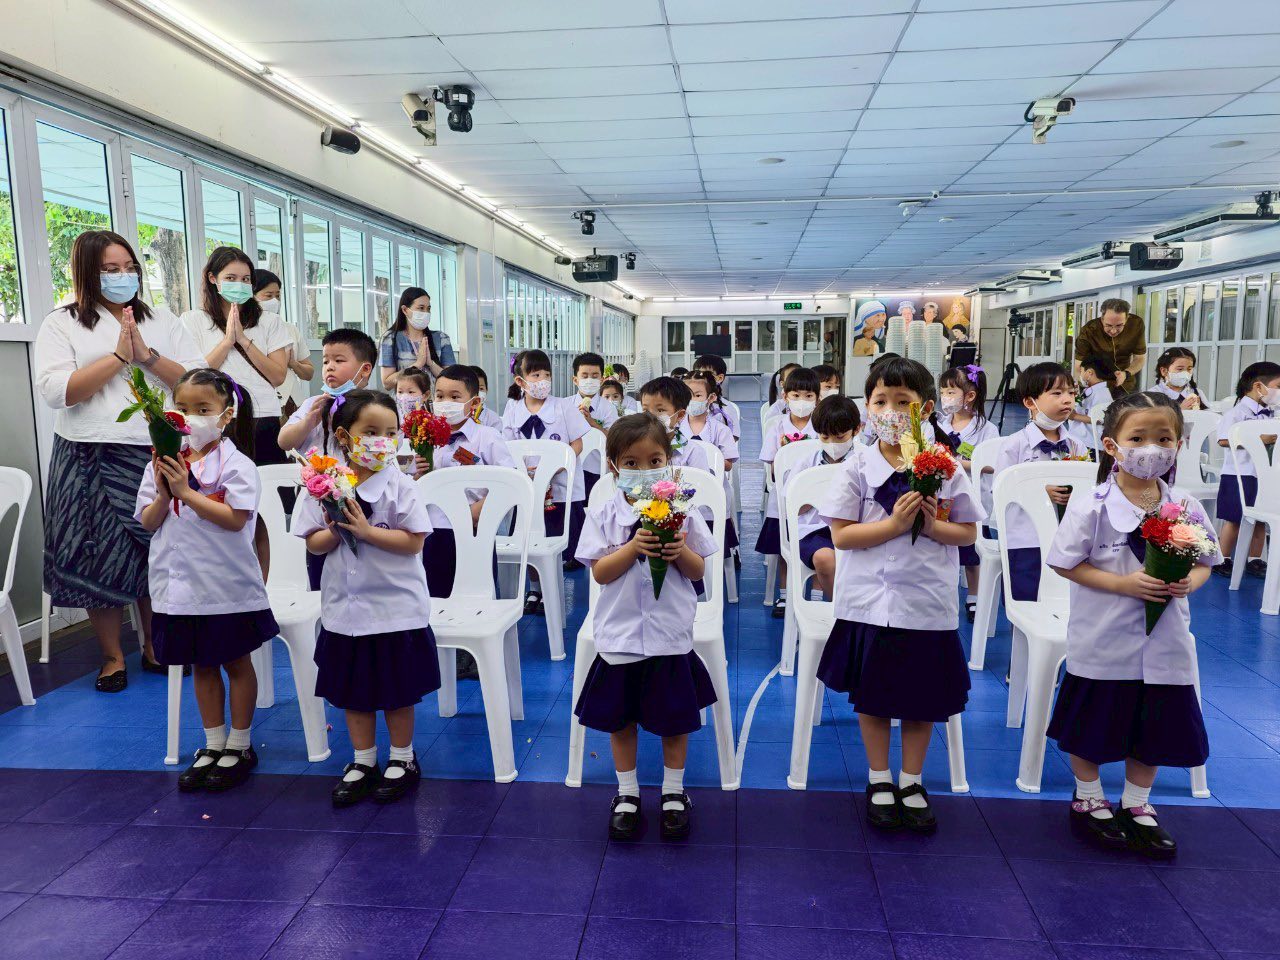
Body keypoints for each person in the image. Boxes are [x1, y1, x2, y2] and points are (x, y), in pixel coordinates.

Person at [1046, 392, 1218, 857]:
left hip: (1165, 640)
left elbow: (1205, 561)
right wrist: (1122, 585)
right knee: (1095, 721)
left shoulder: (1184, 505)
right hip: (1105, 635)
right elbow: (1064, 563)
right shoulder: (1092, 505)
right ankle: (1088, 797)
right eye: (1137, 438)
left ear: (1179, 444)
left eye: (1164, 438)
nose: (1151, 448)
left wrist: (1190, 581)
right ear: (1111, 445)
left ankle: (1137, 802)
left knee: (1152, 724)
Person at [818, 357, 981, 834]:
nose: (889, 411)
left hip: (925, 604)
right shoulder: (856, 467)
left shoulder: (945, 467)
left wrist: (931, 527)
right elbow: (842, 536)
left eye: (903, 402)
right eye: (879, 401)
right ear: (866, 408)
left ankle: (912, 780)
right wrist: (893, 525)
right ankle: (879, 777)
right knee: (872, 698)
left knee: (920, 699)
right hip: (869, 604)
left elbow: (967, 532)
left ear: (925, 409)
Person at [35, 229, 203, 691]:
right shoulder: (62, 322)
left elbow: (195, 381)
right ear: (88, 272)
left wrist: (146, 356)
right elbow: (59, 392)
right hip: (85, 452)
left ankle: (154, 645)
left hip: (153, 449)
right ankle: (112, 657)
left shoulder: (162, 319)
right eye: (110, 269)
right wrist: (117, 357)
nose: (122, 276)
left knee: (156, 549)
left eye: (129, 267)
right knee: (96, 554)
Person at [572, 414, 718, 841]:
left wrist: (678, 552)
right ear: (614, 468)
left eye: (654, 460)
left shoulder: (682, 510)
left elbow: (697, 571)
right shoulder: (603, 510)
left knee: (674, 719)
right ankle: (627, 792)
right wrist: (632, 547)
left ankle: (673, 791)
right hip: (620, 634)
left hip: (669, 636)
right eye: (631, 463)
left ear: (669, 463)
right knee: (621, 720)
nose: (644, 470)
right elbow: (600, 572)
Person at [295, 389, 440, 807]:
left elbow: (414, 542)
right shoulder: (322, 485)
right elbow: (313, 544)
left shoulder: (401, 485)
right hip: (346, 610)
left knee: (397, 690)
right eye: (372, 432)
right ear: (344, 436)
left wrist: (366, 532)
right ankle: (362, 760)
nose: (383, 441)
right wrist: (335, 527)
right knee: (353, 691)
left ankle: (402, 757)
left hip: (396, 610)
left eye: (391, 433)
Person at [136, 368, 275, 792]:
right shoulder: (162, 461)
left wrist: (186, 493)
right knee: (202, 664)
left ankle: (240, 744)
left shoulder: (237, 464)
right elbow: (147, 521)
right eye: (181, 408)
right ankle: (214, 743)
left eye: (203, 409)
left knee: (237, 663)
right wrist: (165, 494)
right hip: (179, 589)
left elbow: (235, 519)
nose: (190, 417)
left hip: (225, 587)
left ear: (226, 415)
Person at [413, 364, 516, 598]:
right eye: (440, 396)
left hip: (474, 528)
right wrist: (418, 475)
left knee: (477, 593)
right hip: (433, 529)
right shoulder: (424, 437)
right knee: (436, 595)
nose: (445, 403)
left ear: (474, 403)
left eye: (454, 397)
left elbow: (509, 485)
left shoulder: (487, 437)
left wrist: (475, 512)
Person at [181, 247, 291, 466]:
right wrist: (227, 342)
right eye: (231, 278)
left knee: (267, 481)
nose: (239, 284)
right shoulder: (192, 320)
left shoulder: (270, 321)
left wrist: (243, 340)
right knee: (216, 481)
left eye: (245, 279)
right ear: (212, 278)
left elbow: (278, 376)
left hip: (263, 415)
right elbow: (194, 378)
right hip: (214, 418)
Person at [502, 349, 589, 612]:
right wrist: (524, 472)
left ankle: (553, 588)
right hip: (527, 488)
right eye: (536, 375)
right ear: (521, 381)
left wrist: (556, 466)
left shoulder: (563, 407)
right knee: (529, 540)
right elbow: (507, 448)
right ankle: (534, 589)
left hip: (559, 488)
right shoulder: (513, 411)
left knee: (554, 541)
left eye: (546, 375)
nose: (543, 380)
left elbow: (577, 443)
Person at [994, 362, 1088, 602]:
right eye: (1056, 393)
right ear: (1030, 402)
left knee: (1063, 599)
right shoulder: (1015, 445)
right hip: (1025, 539)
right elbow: (1001, 490)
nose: (1067, 400)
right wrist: (1039, 490)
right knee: (1026, 601)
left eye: (1071, 393)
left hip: (1067, 539)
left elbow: (1088, 488)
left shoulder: (1076, 445)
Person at [756, 367, 821, 618]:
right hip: (782, 500)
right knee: (785, 551)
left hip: (815, 502)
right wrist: (787, 455)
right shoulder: (777, 427)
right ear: (785, 396)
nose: (802, 401)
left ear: (817, 398)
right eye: (796, 395)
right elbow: (772, 468)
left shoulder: (821, 427)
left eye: (808, 396)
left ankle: (815, 598)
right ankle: (784, 596)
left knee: (818, 546)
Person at [938, 365, 999, 621]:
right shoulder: (940, 424)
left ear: (970, 396)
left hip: (973, 496)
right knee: (944, 542)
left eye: (951, 392)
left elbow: (991, 465)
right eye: (943, 392)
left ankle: (974, 595)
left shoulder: (986, 429)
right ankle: (944, 592)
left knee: (972, 550)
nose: (945, 397)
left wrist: (956, 462)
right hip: (944, 495)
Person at [785, 395, 861, 598]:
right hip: (814, 530)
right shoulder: (806, 463)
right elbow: (792, 507)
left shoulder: (864, 460)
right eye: (825, 437)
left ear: (856, 430)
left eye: (840, 437)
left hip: (855, 527)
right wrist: (815, 495)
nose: (832, 443)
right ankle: (840, 607)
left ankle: (859, 605)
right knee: (825, 559)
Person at [1213, 361, 1280, 579]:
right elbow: (1223, 440)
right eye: (1278, 387)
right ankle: (1223, 558)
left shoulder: (1271, 413)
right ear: (1259, 386)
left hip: (1262, 475)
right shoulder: (1236, 413)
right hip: (1238, 474)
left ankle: (1254, 559)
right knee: (1234, 519)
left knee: (1260, 518)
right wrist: (1257, 439)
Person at [278, 328, 377, 459]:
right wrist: (308, 422)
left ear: (365, 369)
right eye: (325, 362)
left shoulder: (376, 406)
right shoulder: (314, 404)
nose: (329, 367)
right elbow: (284, 442)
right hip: (317, 471)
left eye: (339, 360)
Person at [566, 352, 619, 570]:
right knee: (574, 510)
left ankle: (599, 550)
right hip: (572, 469)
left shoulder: (608, 408)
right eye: (585, 375)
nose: (590, 380)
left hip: (597, 470)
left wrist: (591, 422)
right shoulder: (565, 405)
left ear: (602, 379)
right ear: (575, 379)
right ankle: (574, 552)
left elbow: (614, 438)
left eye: (595, 375)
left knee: (596, 509)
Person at [253, 269, 313, 419]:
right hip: (261, 404)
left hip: (293, 402)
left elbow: (309, 373)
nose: (275, 301)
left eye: (278, 296)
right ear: (252, 296)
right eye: (268, 296)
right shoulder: (245, 331)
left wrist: (293, 364)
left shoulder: (290, 329)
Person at [379, 287, 456, 390]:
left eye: (428, 309)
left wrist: (431, 364)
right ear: (405, 310)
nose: (426, 313)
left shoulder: (441, 339)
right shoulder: (390, 339)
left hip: (435, 399)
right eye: (421, 308)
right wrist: (417, 365)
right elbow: (387, 384)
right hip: (404, 400)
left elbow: (452, 380)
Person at [1073, 298, 1148, 394]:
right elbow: (1078, 366)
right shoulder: (1088, 330)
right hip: (1096, 384)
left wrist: (1126, 374)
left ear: (1127, 318)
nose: (1113, 331)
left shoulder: (1136, 324)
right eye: (1108, 325)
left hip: (1126, 383)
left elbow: (1139, 358)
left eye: (1119, 325)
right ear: (1102, 318)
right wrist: (1082, 384)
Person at [640, 376, 712, 474]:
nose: (650, 416)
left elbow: (702, 482)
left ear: (680, 415)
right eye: (645, 410)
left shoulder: (693, 452)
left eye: (660, 410)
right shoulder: (637, 447)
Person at [1067, 354, 1120, 453]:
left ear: (1089, 373)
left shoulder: (1102, 394)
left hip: (1090, 444)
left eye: (1081, 371)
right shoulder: (1091, 390)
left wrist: (1074, 416)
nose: (1080, 375)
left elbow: (1100, 419)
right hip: (1081, 440)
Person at [693, 354, 739, 439]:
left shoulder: (727, 408)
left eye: (707, 375)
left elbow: (734, 437)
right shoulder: (687, 403)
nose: (700, 379)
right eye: (697, 374)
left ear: (720, 378)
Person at [469, 365, 503, 430]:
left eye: (481, 388)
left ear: (486, 390)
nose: (477, 393)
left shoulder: (494, 419)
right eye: (473, 389)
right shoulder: (458, 417)